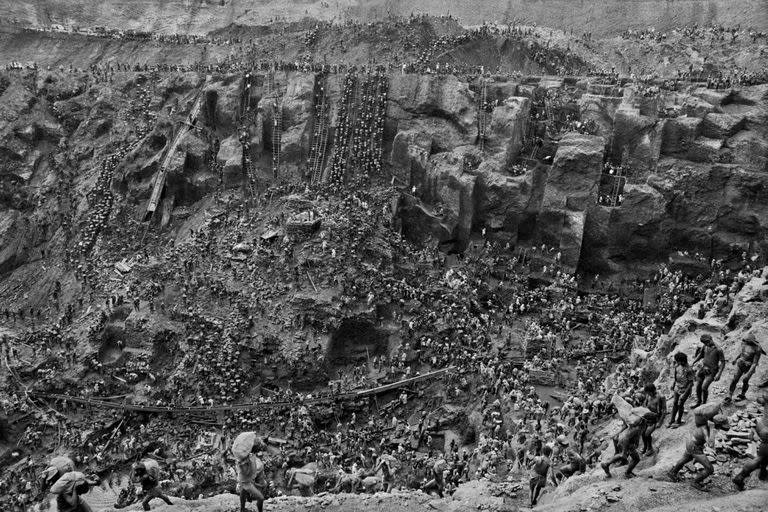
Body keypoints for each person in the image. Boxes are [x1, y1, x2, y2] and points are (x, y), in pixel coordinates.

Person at [732, 390, 768, 490]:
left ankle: (763, 472)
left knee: (764, 453)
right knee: (759, 457)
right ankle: (740, 477)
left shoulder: (766, 394)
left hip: (761, 425)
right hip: (767, 431)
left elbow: (759, 399)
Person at [725, 331, 762, 403]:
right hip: (740, 363)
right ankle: (729, 395)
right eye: (746, 340)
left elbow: (754, 363)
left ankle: (742, 395)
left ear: (752, 341)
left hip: (749, 366)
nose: (746, 341)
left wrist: (748, 373)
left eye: (748, 341)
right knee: (734, 379)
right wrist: (735, 359)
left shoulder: (757, 348)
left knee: (745, 380)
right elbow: (742, 353)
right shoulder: (744, 343)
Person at [691, 334, 725, 408]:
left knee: (704, 387)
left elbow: (723, 362)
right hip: (703, 368)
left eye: (707, 342)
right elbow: (701, 355)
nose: (707, 344)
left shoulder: (718, 349)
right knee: (698, 386)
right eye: (705, 343)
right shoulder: (705, 346)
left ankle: (704, 403)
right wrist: (694, 362)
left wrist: (719, 374)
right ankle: (699, 401)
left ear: (711, 339)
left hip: (712, 370)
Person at [237, 445, 267, 512]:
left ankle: (242, 509)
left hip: (242, 480)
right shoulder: (253, 462)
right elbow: (250, 475)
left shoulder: (246, 458)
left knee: (243, 491)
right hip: (246, 481)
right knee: (261, 498)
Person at [668, 352, 695, 427]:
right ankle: (672, 420)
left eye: (677, 361)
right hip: (677, 387)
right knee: (675, 403)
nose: (676, 362)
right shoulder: (677, 366)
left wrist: (684, 394)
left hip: (685, 389)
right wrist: (673, 384)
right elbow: (676, 376)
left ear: (682, 361)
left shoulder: (689, 370)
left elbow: (690, 383)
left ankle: (679, 420)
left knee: (680, 405)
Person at [642, 383, 666, 454]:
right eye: (647, 393)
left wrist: (660, 422)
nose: (648, 394)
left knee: (647, 434)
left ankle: (650, 448)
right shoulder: (648, 395)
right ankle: (645, 446)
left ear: (652, 390)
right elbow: (645, 404)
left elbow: (664, 410)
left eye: (649, 392)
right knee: (642, 433)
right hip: (648, 416)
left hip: (656, 418)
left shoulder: (661, 396)